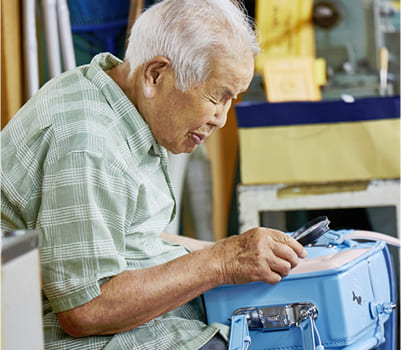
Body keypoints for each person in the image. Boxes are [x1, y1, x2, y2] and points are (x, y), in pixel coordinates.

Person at [0, 0, 307, 349]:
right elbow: (85, 309)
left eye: (231, 101)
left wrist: (235, 254)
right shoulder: (89, 141)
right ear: (155, 75)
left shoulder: (110, 94)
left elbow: (135, 239)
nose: (221, 119)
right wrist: (222, 261)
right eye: (216, 97)